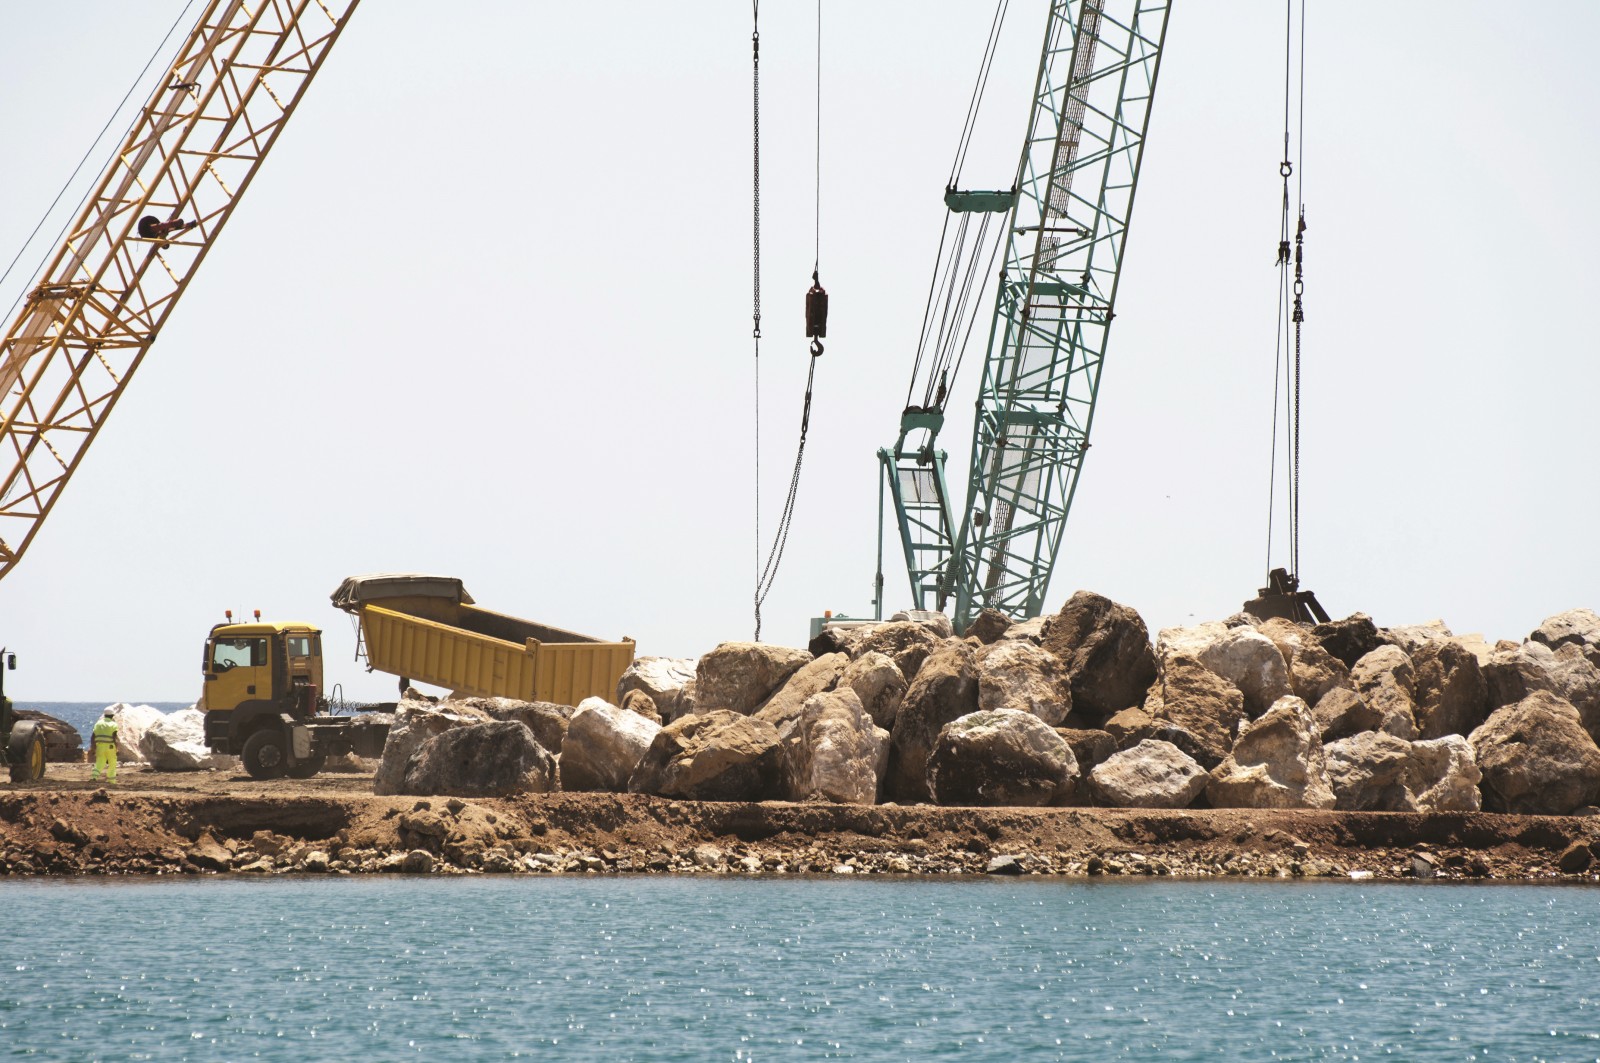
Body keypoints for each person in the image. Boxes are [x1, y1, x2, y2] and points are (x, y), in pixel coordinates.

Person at [90, 708, 119, 784]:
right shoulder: (114, 724)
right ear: (112, 716)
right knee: (112, 763)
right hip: (110, 747)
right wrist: (117, 748)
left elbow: (93, 736)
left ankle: (94, 777)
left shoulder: (98, 724)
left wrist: (93, 747)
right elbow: (114, 738)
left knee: (100, 762)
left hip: (100, 746)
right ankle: (111, 780)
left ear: (104, 715)